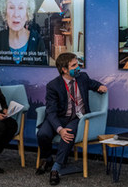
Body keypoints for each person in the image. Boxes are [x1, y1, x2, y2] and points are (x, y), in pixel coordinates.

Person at [36, 52, 108, 185]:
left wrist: (99, 86)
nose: (78, 67)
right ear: (64, 70)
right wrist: (59, 129)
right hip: (59, 117)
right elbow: (51, 112)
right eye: (74, 65)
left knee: (67, 134)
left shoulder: (82, 77)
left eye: (77, 64)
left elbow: (92, 84)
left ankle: (55, 169)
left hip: (77, 118)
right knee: (43, 134)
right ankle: (47, 158)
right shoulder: (53, 86)